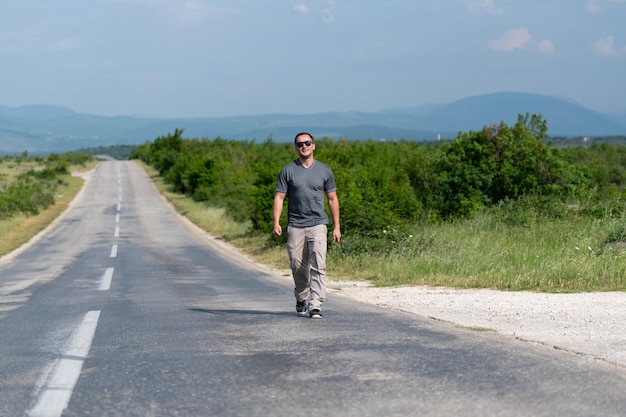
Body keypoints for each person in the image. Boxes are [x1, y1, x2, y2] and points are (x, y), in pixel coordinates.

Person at [273, 132, 341, 319]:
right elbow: (279, 197)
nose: (304, 146)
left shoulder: (324, 171)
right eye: (300, 144)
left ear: (313, 145)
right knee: (297, 265)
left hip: (318, 224)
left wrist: (337, 226)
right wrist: (277, 222)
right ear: (296, 147)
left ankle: (316, 304)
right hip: (295, 224)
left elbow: (332, 198)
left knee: (319, 264)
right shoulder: (288, 170)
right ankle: (301, 296)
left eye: (307, 142)